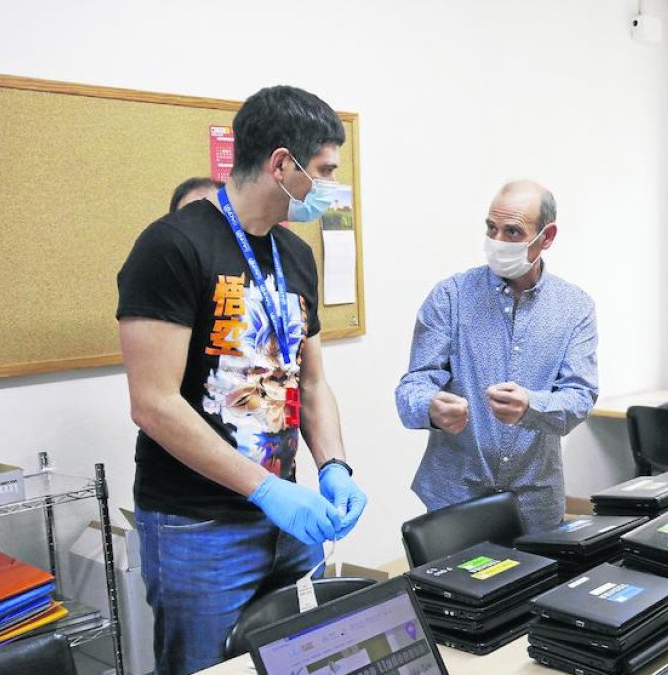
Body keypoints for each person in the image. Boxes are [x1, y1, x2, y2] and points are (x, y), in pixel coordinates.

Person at [117, 86, 367, 675]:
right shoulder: (172, 245)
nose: (329, 186)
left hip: (290, 520)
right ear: (283, 164)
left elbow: (311, 382)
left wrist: (334, 466)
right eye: (325, 170)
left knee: (300, 662)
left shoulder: (294, 254)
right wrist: (263, 489)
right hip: (198, 529)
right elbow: (153, 405)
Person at [395, 180, 598, 533]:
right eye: (492, 228)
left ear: (546, 238)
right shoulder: (451, 297)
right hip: (455, 498)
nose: (498, 242)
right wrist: (431, 407)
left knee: (538, 588)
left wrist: (532, 406)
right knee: (454, 588)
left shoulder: (574, 308)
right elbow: (413, 385)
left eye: (513, 232)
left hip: (535, 503)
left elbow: (579, 396)